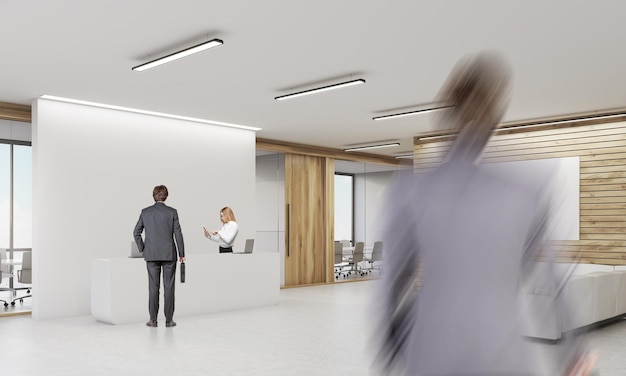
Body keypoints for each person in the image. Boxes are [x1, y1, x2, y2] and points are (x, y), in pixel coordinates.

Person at [374, 52, 594, 375]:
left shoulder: (410, 190)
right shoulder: (525, 193)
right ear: (496, 116)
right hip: (502, 354)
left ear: (446, 109)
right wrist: (575, 353)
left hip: (431, 350)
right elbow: (554, 281)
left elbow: (391, 283)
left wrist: (386, 346)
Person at [133, 185, 185, 328]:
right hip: (169, 254)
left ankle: (153, 320)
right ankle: (169, 320)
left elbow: (136, 233)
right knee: (169, 288)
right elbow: (178, 233)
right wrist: (182, 253)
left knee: (153, 288)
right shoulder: (172, 212)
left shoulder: (145, 212)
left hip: (151, 255)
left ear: (154, 196)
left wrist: (143, 250)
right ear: (166, 196)